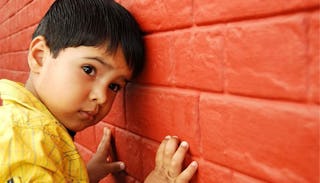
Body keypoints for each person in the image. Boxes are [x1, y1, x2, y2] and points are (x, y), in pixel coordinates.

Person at [0, 0, 198, 182]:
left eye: (114, 86)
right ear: (40, 57)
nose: (102, 97)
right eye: (89, 69)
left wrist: (83, 175)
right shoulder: (24, 140)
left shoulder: (32, 133)